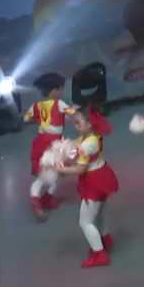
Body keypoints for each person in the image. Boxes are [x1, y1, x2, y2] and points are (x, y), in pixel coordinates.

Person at [54, 106, 119, 268]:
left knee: (85, 222)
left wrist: (61, 170)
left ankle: (99, 254)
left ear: (89, 124)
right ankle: (104, 239)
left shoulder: (87, 145)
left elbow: (80, 169)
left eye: (78, 123)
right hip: (102, 176)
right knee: (99, 213)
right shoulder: (93, 136)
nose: (75, 126)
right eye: (74, 123)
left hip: (93, 182)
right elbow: (75, 145)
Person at [22, 72, 74, 220]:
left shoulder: (36, 106)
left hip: (42, 142)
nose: (62, 92)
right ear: (54, 90)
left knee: (50, 173)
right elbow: (72, 114)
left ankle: (44, 200)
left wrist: (39, 119)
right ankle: (39, 201)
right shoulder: (60, 103)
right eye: (61, 89)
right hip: (53, 144)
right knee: (49, 175)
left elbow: (26, 118)